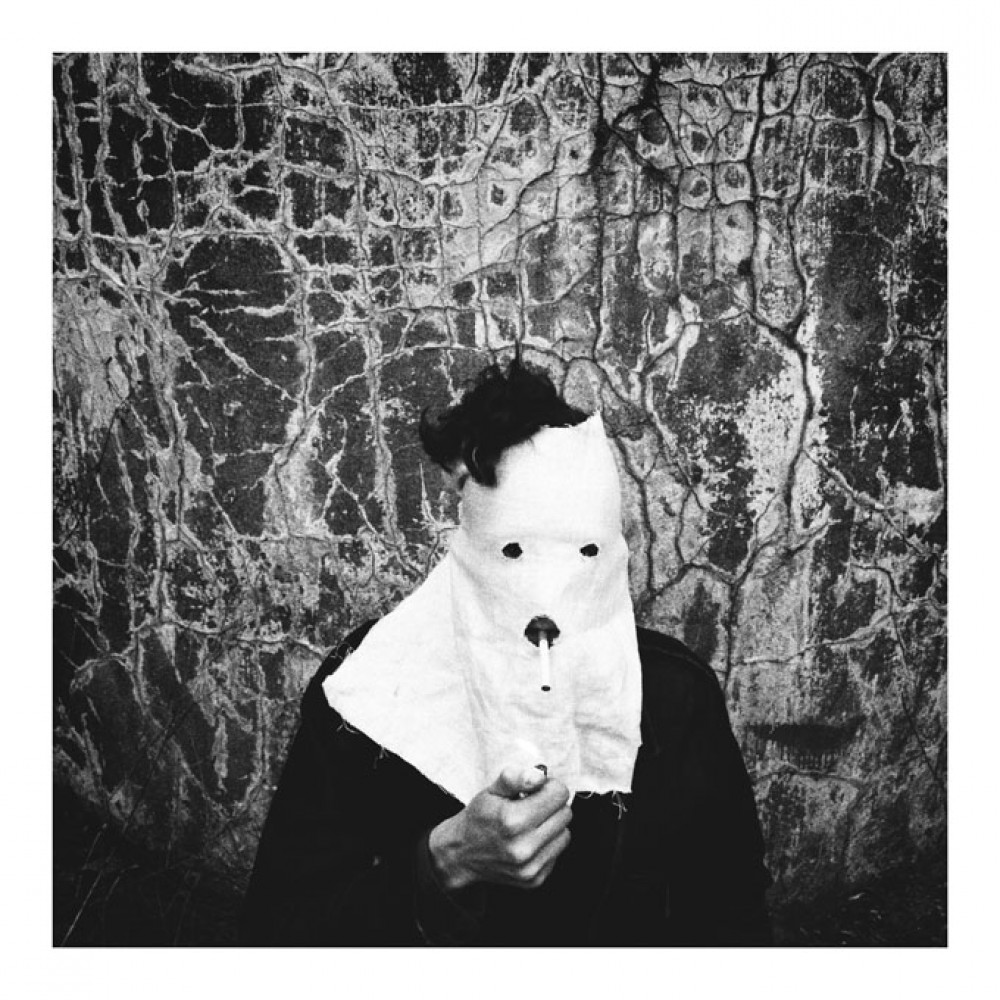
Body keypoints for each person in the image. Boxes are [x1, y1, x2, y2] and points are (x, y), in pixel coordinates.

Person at [239, 357, 772, 946]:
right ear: (468, 535)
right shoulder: (367, 693)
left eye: (584, 553)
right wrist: (445, 861)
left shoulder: (674, 698)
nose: (547, 595)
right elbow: (281, 929)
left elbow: (730, 916)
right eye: (513, 551)